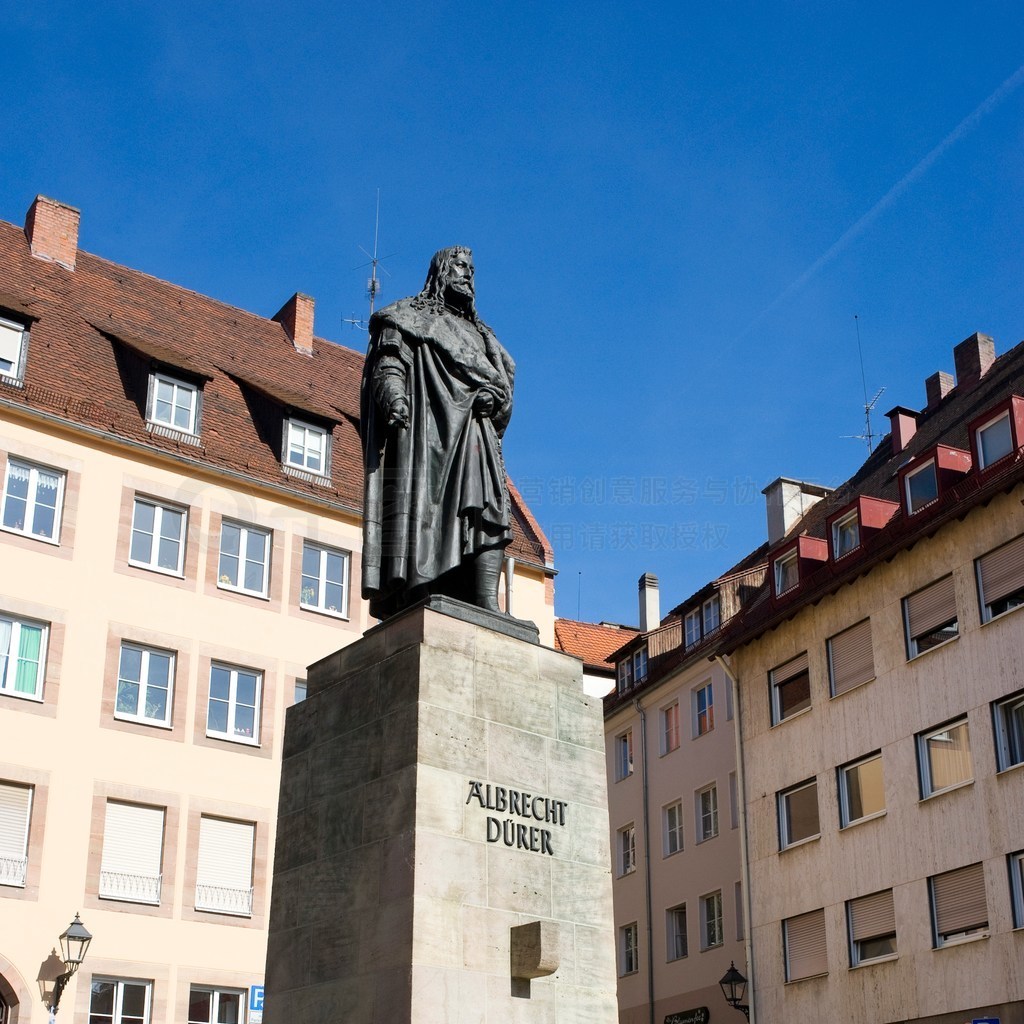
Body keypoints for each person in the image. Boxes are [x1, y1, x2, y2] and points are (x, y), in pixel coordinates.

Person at [360, 246, 515, 620]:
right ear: (441, 271)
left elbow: (504, 390)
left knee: (491, 507)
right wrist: (393, 397)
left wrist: (496, 402)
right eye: (461, 266)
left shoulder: (485, 337)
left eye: (472, 270)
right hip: (427, 435)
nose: (468, 275)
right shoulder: (408, 316)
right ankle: (421, 588)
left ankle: (486, 601)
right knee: (425, 510)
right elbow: (389, 361)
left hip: (475, 434)